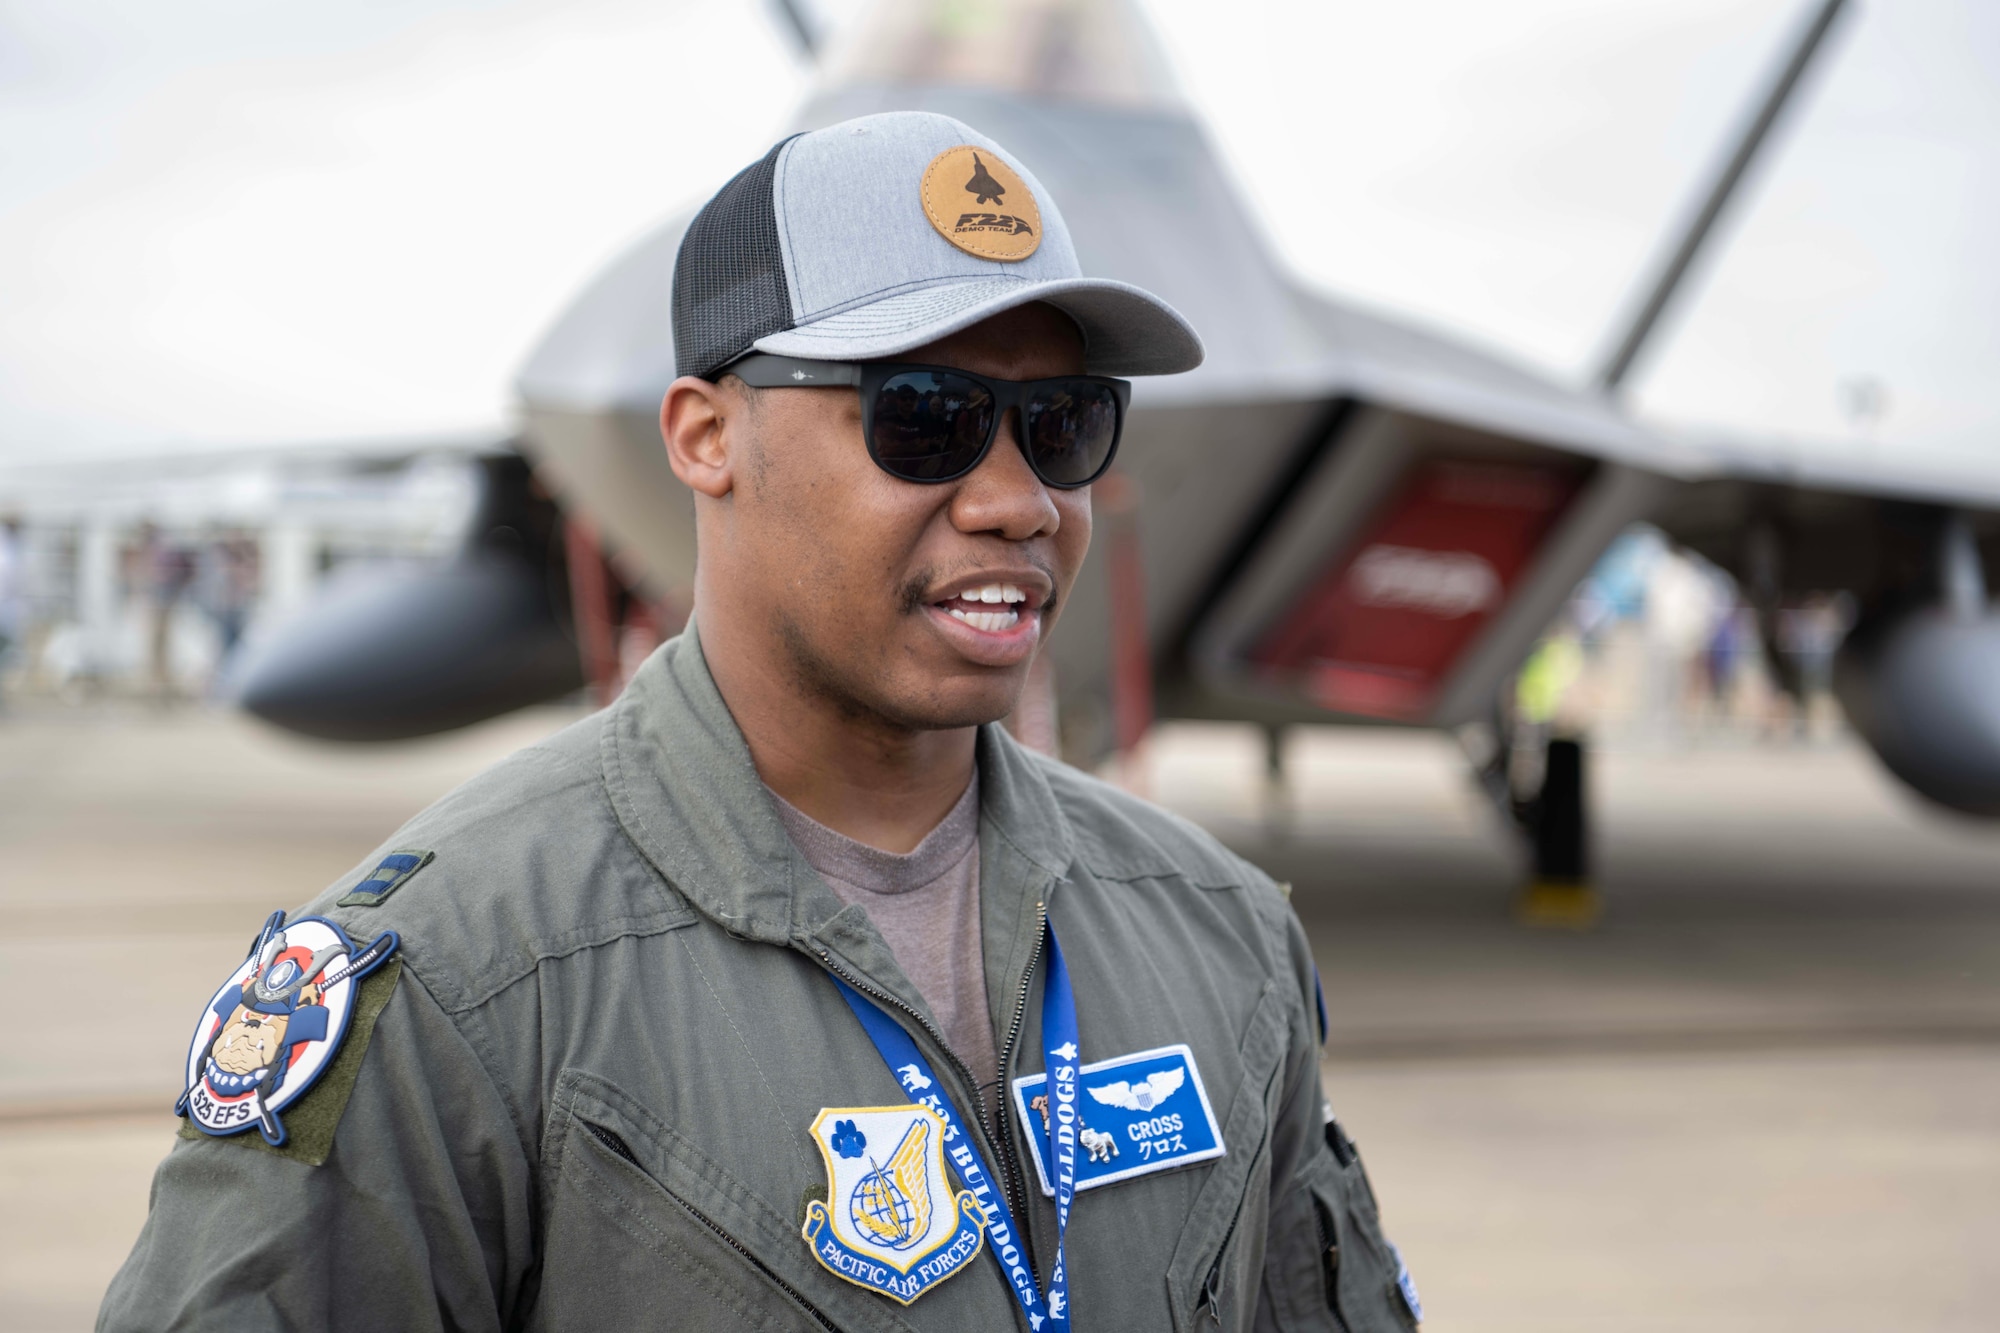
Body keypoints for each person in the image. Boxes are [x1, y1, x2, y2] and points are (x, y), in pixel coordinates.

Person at [102, 112, 1418, 1332]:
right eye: (927, 418)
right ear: (704, 435)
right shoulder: (464, 980)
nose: (1020, 499)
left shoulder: (1222, 937)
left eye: (1062, 424)